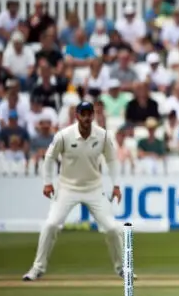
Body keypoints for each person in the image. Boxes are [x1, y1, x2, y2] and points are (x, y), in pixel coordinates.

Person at [22, 101, 124, 281]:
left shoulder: (102, 135)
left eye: (89, 114)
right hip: (67, 188)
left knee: (112, 228)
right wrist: (47, 183)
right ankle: (37, 269)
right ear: (77, 116)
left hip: (94, 188)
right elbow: (49, 158)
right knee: (51, 225)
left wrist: (116, 185)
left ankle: (123, 269)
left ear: (93, 115)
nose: (86, 118)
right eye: (83, 114)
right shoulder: (64, 136)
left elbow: (112, 160)